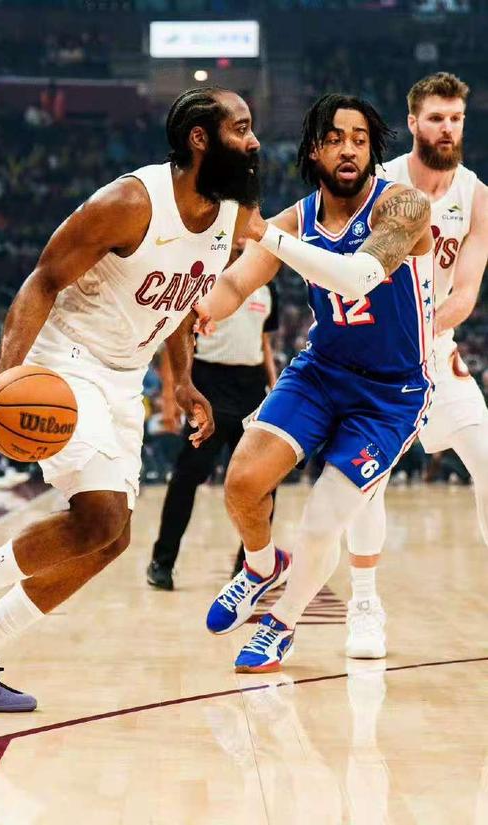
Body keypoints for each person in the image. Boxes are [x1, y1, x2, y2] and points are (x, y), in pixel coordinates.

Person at [0, 86, 284, 711]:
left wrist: (181, 380)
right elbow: (43, 280)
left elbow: (180, 302)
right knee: (100, 516)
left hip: (125, 378)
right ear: (200, 138)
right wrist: (4, 376)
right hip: (67, 362)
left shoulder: (231, 215)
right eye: (241, 128)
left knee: (111, 539)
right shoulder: (131, 202)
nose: (254, 141)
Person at [194, 93, 434, 672]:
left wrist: (266, 236)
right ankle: (260, 565)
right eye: (334, 139)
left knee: (322, 522)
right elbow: (236, 284)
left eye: (359, 139)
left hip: (391, 394)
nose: (348, 149)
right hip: (322, 371)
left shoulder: (404, 206)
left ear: (373, 151)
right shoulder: (296, 219)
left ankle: (281, 624)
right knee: (242, 481)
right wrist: (200, 309)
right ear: (313, 152)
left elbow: (356, 279)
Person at [344, 72, 488, 659]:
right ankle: (363, 605)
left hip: (436, 351)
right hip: (376, 358)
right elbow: (355, 277)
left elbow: (466, 292)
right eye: (436, 118)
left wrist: (425, 336)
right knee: (365, 484)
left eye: (455, 119)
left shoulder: (476, 195)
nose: (447, 128)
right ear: (412, 123)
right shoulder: (379, 186)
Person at [146, 278, 284, 591]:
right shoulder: (207, 281)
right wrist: (170, 396)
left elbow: (264, 342)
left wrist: (276, 388)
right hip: (208, 383)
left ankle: (251, 569)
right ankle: (162, 562)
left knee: (262, 481)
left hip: (252, 388)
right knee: (186, 477)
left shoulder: (268, 286)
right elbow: (177, 338)